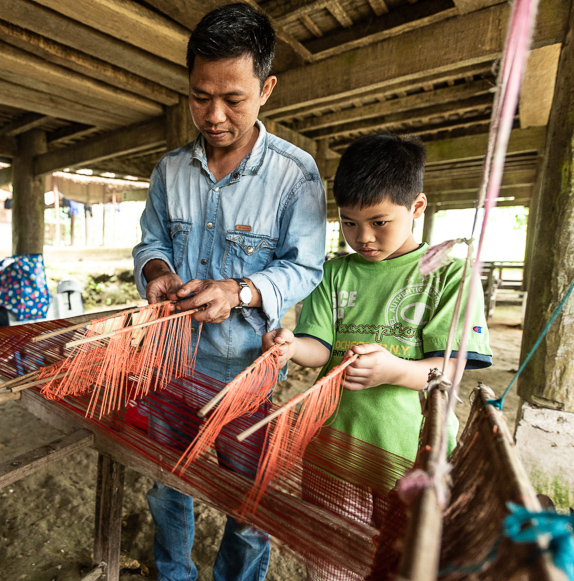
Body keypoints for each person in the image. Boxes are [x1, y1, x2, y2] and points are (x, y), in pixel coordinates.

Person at [132, 3, 327, 579]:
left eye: (233, 99)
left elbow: (306, 268)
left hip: (245, 372)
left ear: (266, 89)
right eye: (199, 96)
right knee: (168, 483)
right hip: (170, 361)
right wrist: (158, 273)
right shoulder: (170, 171)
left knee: (248, 499)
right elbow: (150, 242)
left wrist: (239, 292)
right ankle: (175, 573)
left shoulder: (297, 175)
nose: (213, 115)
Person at [262, 133, 493, 579]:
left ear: (418, 207)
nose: (362, 238)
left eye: (379, 222)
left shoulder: (449, 274)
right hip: (333, 451)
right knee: (332, 564)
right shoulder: (333, 273)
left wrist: (394, 369)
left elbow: (451, 369)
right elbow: (318, 349)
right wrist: (291, 344)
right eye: (349, 223)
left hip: (413, 457)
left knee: (404, 563)